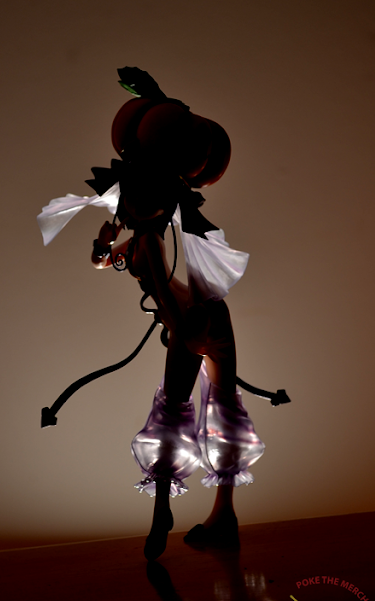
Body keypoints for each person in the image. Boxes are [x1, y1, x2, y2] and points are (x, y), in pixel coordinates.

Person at [91, 160, 265, 560]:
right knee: (223, 409)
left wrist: (181, 335)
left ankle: (166, 511)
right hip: (209, 317)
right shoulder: (138, 243)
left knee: (175, 411)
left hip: (191, 322)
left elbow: (166, 296)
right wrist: (103, 242)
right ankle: (221, 515)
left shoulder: (150, 242)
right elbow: (102, 262)